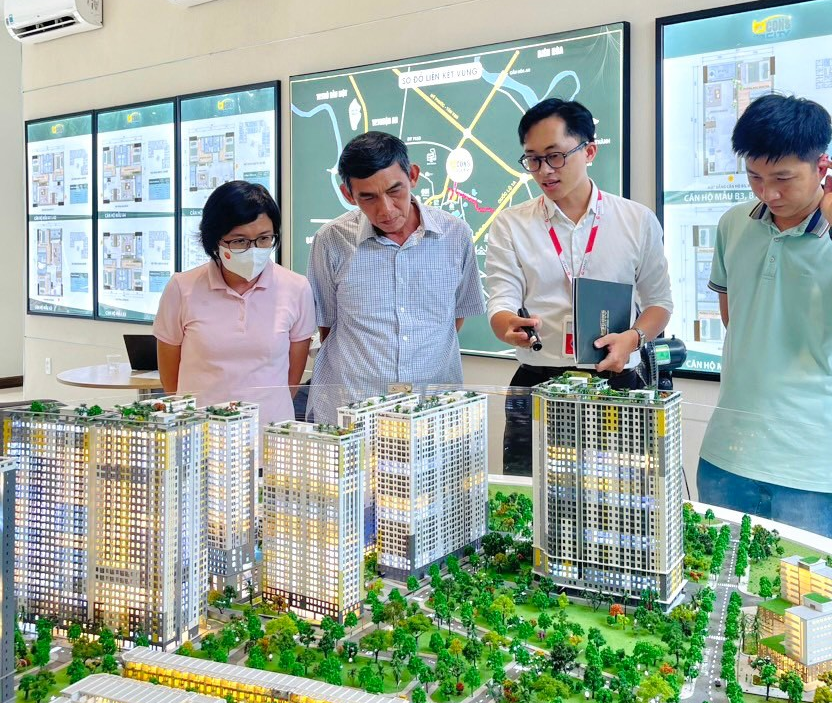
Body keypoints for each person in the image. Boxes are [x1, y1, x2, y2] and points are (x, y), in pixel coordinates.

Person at [697, 94, 832, 542]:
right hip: (726, 455)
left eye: (783, 179)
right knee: (718, 582)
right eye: (755, 177)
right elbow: (736, 318)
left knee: (809, 588)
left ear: (823, 167)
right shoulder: (734, 223)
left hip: (812, 468)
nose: (768, 193)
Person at [484, 98, 673, 475]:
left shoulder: (636, 221)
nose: (544, 170)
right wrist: (507, 327)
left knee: (622, 498)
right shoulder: (511, 224)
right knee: (529, 496)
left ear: (589, 151)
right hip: (537, 383)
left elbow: (659, 303)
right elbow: (501, 300)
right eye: (533, 159)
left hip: (615, 382)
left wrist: (633, 338)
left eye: (555, 156)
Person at [305, 132, 485, 423]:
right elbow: (327, 325)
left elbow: (454, 316)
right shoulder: (332, 240)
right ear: (348, 194)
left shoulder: (456, 235)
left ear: (413, 176)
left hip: (430, 409)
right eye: (368, 197)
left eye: (394, 191)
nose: (386, 210)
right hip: (352, 407)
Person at [154, 181, 315, 424]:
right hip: (201, 431)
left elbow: (292, 378)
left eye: (264, 239)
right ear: (215, 240)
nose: (253, 250)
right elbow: (170, 379)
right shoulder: (182, 288)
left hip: (271, 431)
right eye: (239, 241)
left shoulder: (296, 288)